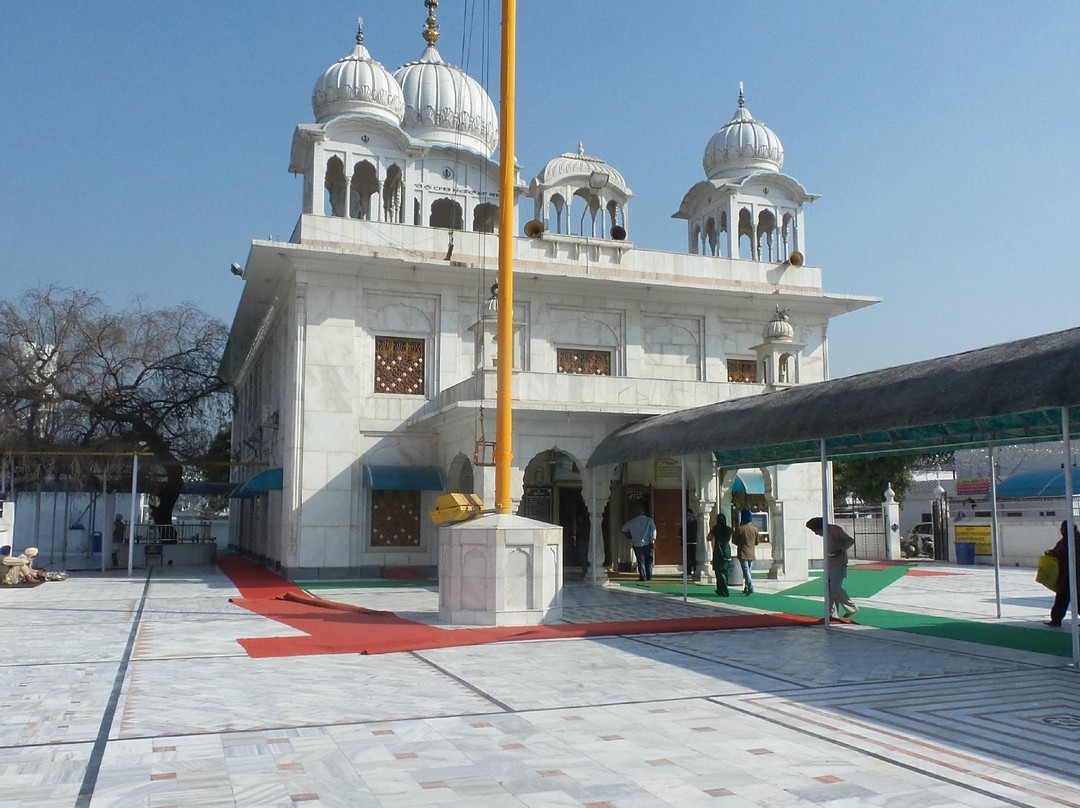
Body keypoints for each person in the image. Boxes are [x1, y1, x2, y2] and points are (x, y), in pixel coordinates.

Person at [805, 517, 858, 618]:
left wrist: (840, 551)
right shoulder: (826, 534)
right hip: (829, 562)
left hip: (839, 562)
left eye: (815, 531)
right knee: (829, 588)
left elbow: (850, 541)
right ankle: (832, 614)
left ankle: (851, 607)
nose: (816, 534)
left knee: (835, 586)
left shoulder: (835, 530)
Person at [1046, 520, 1080, 627]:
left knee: (1064, 598)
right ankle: (1056, 619)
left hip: (1071, 576)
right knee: (1064, 598)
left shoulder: (1069, 542)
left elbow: (1059, 554)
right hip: (1067, 576)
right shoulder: (1065, 541)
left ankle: (1056, 619)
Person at [622, 503, 656, 582]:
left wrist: (628, 536)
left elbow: (623, 529)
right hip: (648, 543)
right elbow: (654, 531)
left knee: (641, 561)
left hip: (637, 543)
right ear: (643, 512)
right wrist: (653, 541)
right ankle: (649, 576)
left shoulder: (632, 521)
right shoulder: (649, 520)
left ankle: (643, 577)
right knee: (649, 560)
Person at [732, 509, 760, 595]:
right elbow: (757, 542)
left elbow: (734, 541)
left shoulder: (740, 529)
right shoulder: (754, 529)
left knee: (746, 571)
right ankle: (746, 587)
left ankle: (750, 586)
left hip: (742, 552)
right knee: (748, 570)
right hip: (751, 552)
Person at [710, 513, 732, 597]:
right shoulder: (729, 529)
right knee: (725, 570)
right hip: (727, 551)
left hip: (718, 552)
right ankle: (720, 589)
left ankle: (724, 589)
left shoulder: (716, 529)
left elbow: (709, 538)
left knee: (718, 571)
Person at [685, 508, 699, 578]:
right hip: (688, 542)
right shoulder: (689, 522)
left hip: (692, 542)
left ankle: (694, 570)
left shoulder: (692, 522)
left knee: (692, 558)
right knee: (688, 558)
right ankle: (688, 571)